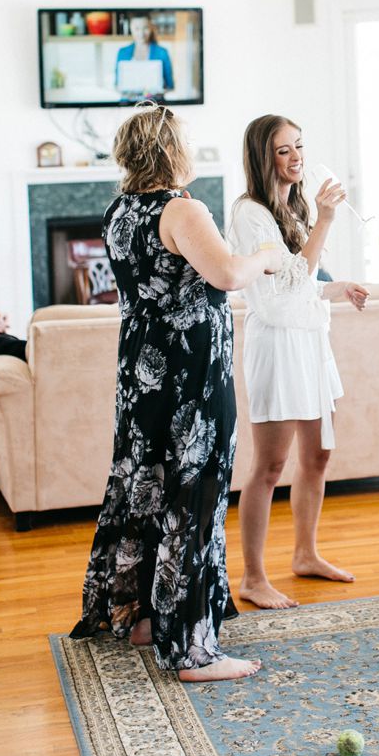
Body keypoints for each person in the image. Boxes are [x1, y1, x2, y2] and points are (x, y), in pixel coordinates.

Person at [71, 103, 283, 682]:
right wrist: (265, 254)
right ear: (171, 149)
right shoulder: (180, 207)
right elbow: (227, 275)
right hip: (190, 374)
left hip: (142, 371)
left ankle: (145, 618)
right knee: (196, 493)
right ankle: (191, 650)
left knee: (148, 485)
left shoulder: (120, 210)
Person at [228, 115, 370, 610]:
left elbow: (302, 283)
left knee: (319, 455)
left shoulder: (293, 208)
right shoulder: (250, 215)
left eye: (299, 147)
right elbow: (277, 297)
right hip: (277, 348)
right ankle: (253, 577)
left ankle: (306, 554)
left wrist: (337, 287)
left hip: (310, 342)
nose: (297, 158)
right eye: (284, 150)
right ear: (262, 156)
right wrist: (326, 221)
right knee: (268, 465)